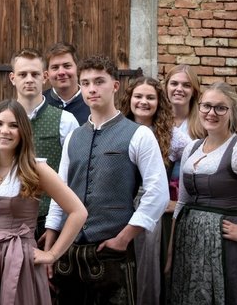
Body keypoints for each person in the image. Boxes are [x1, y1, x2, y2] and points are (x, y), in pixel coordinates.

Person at [45, 55, 169, 305]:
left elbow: (158, 193)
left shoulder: (139, 135)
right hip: (69, 252)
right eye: (86, 83)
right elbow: (61, 192)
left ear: (115, 85)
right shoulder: (73, 137)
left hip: (112, 252)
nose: (92, 89)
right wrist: (51, 240)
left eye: (99, 81)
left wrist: (124, 238)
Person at [0, 100, 87, 305]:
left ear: (23, 132)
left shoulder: (35, 169)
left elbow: (78, 212)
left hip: (21, 260)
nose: (4, 131)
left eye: (13, 125)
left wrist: (52, 254)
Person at [168, 82, 237, 305]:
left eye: (220, 108)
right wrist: (171, 250)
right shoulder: (192, 147)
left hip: (222, 244)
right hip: (188, 243)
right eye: (206, 106)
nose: (211, 113)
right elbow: (182, 201)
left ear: (232, 111)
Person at [119, 76, 189, 305]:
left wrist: (179, 202)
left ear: (159, 102)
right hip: (119, 203)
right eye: (138, 96)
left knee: (145, 266)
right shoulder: (118, 129)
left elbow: (195, 167)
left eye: (150, 97)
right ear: (129, 99)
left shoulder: (172, 135)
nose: (143, 102)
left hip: (149, 205)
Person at [9, 48, 79, 240]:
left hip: (50, 222)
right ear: (12, 78)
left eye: (35, 74)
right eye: (22, 74)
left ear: (45, 77)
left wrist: (59, 224)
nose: (29, 79)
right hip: (9, 220)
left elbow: (74, 175)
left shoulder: (66, 120)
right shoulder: (1, 121)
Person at [43, 42, 90, 125]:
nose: (61, 72)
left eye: (67, 66)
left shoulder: (92, 102)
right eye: (55, 67)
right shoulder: (40, 104)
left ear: (78, 69)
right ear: (47, 74)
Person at [164, 64, 204, 140]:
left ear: (193, 91)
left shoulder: (203, 122)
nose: (179, 89)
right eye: (174, 84)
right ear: (166, 88)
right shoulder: (156, 120)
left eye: (186, 85)